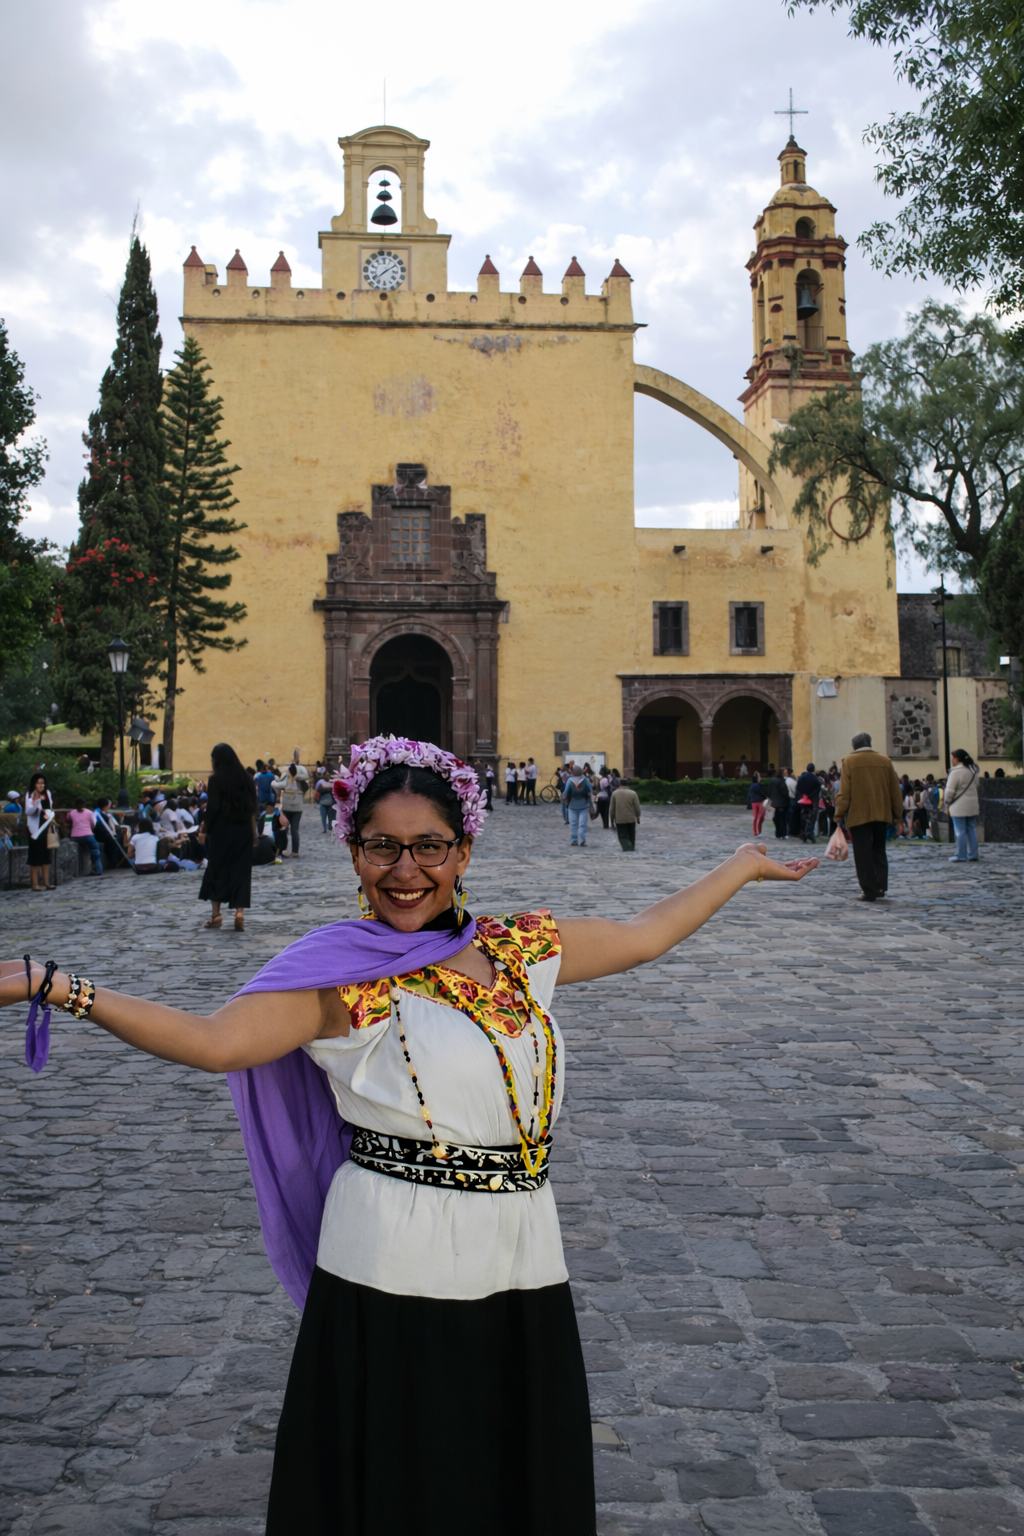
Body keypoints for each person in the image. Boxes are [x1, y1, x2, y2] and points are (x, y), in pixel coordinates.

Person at [1, 735, 816, 1536]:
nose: (405, 870)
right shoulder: (343, 979)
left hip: (523, 1246)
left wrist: (740, 866)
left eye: (429, 846)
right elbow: (215, 1042)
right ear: (353, 852)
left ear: (463, 851)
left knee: (509, 1467)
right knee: (410, 1477)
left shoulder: (515, 947)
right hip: (397, 1259)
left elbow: (645, 934)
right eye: (381, 847)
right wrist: (60, 987)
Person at [834, 731, 904, 902]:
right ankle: (880, 885)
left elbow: (844, 792)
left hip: (859, 815)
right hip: (881, 813)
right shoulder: (885, 761)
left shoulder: (849, 762)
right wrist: (897, 815)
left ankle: (869, 889)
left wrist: (839, 814)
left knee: (862, 853)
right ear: (870, 743)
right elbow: (895, 791)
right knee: (879, 850)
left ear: (854, 746)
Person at [198, 743, 258, 930]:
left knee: (217, 869)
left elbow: (213, 808)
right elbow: (252, 809)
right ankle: (239, 912)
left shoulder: (216, 780)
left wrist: (204, 829)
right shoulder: (246, 779)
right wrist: (254, 833)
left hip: (222, 832)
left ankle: (216, 915)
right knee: (241, 871)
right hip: (243, 831)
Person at [944, 747, 981, 863]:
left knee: (960, 831)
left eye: (953, 758)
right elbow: (977, 785)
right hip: (972, 804)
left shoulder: (955, 772)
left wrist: (947, 803)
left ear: (957, 759)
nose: (952, 761)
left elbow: (949, 791)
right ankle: (973, 854)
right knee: (971, 829)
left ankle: (961, 855)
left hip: (958, 805)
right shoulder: (973, 770)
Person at [25, 772, 55, 892]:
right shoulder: (30, 795)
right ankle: (35, 884)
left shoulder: (47, 794)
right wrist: (35, 802)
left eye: (42, 783)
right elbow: (29, 811)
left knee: (46, 856)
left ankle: (47, 882)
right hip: (35, 830)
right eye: (38, 783)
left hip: (46, 827)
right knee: (35, 857)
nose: (41, 785)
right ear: (34, 784)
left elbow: (50, 808)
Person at [276, 762, 308, 857]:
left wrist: (273, 782)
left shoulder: (288, 778)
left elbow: (279, 785)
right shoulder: (301, 781)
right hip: (297, 808)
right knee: (294, 830)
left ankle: (282, 850)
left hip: (287, 807)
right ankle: (295, 852)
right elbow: (305, 789)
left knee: (284, 829)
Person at [67, 798, 103, 876]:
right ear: (84, 804)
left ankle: (76, 872)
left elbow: (68, 821)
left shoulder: (71, 813)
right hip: (87, 834)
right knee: (95, 849)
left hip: (75, 836)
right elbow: (93, 824)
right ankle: (97, 870)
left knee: (78, 852)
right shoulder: (89, 812)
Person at [562, 765, 593, 846]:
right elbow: (591, 790)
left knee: (573, 823)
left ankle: (574, 840)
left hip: (572, 805)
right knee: (583, 824)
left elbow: (565, 792)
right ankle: (582, 840)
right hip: (584, 804)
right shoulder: (585, 780)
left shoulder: (569, 781)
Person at [609, 780, 641, 850]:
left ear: (619, 784)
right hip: (631, 819)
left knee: (622, 836)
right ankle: (631, 848)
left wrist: (612, 822)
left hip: (620, 820)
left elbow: (612, 809)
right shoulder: (633, 793)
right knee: (632, 836)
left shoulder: (615, 793)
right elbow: (637, 807)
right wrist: (638, 817)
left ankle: (626, 849)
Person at [794, 763, 821, 844]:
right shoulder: (816, 779)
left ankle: (804, 834)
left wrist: (803, 795)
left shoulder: (801, 778)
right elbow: (817, 789)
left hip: (803, 799)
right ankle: (809, 833)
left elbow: (798, 788)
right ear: (813, 769)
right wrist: (810, 795)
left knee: (804, 817)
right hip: (813, 801)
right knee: (811, 818)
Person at [767, 767, 791, 840]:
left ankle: (778, 833)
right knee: (783, 819)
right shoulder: (782, 781)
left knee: (777, 818)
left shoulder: (773, 780)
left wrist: (771, 798)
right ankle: (783, 833)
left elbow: (769, 791)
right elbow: (784, 792)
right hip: (783, 803)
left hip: (775, 803)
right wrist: (788, 798)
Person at [255, 760, 276, 830]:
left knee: (261, 815)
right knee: (269, 815)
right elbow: (274, 786)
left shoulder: (257, 776)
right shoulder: (271, 775)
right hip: (270, 798)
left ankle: (261, 828)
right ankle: (268, 828)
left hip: (260, 798)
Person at [747, 771, 767, 837]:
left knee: (756, 816)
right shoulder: (757, 785)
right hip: (759, 802)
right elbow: (762, 793)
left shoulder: (752, 785)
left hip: (754, 802)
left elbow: (749, 795)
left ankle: (756, 831)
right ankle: (757, 831)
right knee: (759, 817)